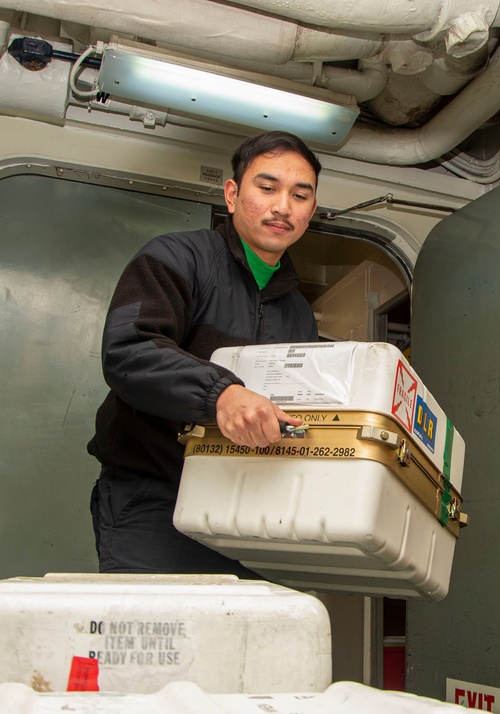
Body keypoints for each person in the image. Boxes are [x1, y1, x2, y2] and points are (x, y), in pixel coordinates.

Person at [88, 130, 322, 578]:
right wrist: (222, 395)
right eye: (267, 187)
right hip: (154, 501)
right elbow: (129, 349)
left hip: (251, 511)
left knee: (240, 644)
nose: (282, 206)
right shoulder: (176, 258)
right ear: (232, 194)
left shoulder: (299, 316)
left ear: (311, 212)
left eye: (300, 195)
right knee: (157, 641)